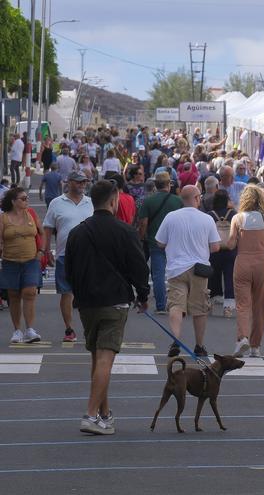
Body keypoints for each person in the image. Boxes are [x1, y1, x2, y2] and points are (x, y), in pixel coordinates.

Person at [66, 180, 150, 435]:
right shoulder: (125, 231)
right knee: (105, 358)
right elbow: (139, 267)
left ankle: (104, 413)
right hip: (115, 301)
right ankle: (91, 415)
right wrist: (142, 295)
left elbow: (69, 270)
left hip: (87, 303)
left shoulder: (77, 232)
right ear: (114, 201)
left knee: (97, 356)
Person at [155, 185, 221, 357]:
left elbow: (160, 242)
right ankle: (199, 345)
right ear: (197, 198)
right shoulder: (207, 219)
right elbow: (215, 247)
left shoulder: (171, 217)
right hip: (199, 269)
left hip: (176, 269)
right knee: (200, 308)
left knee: (176, 306)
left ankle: (176, 339)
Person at [43, 172, 95, 342]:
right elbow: (48, 228)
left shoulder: (91, 202)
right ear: (69, 182)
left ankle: (90, 328)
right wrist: (46, 250)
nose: (82, 184)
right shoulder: (56, 203)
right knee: (66, 292)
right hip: (64, 254)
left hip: (89, 255)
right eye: (78, 182)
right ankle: (69, 329)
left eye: (84, 182)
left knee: (89, 293)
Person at [227, 185, 264, 358]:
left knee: (242, 304)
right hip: (261, 262)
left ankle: (242, 338)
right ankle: (256, 346)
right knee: (260, 306)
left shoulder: (237, 218)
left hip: (243, 262)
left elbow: (231, 244)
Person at [2, 187, 44, 344]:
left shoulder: (31, 213)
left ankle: (30, 330)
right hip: (10, 261)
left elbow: (41, 232)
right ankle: (17, 330)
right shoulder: (3, 218)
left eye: (27, 198)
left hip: (31, 260)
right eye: (23, 198)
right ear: (13, 201)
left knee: (30, 292)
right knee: (13, 295)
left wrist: (41, 251)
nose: (27, 201)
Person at [138, 172, 183, 314]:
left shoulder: (148, 201)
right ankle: (179, 304)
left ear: (155, 185)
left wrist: (141, 238)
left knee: (158, 275)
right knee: (177, 274)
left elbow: (143, 223)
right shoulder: (178, 201)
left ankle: (161, 305)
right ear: (169, 184)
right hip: (175, 242)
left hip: (155, 241)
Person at [207, 190, 237, 318]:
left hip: (214, 250)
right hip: (231, 251)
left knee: (213, 277)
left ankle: (211, 303)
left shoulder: (209, 215)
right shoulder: (233, 214)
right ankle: (228, 308)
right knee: (230, 278)